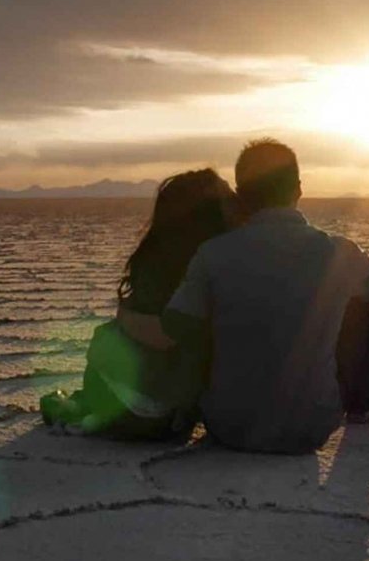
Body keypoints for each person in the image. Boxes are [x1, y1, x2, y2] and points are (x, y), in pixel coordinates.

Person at [125, 139, 369, 453]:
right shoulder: (338, 251)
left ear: (241, 196)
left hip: (228, 427)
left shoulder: (212, 254)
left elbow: (176, 325)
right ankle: (363, 403)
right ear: (298, 189)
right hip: (311, 428)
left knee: (208, 308)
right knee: (357, 294)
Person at [39, 168, 237, 438]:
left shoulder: (175, 264)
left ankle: (78, 408)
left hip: (153, 412)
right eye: (227, 193)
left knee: (106, 340)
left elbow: (165, 335)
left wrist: (124, 318)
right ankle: (80, 407)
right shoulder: (216, 261)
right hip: (174, 411)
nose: (236, 197)